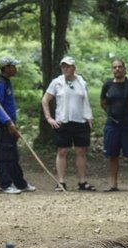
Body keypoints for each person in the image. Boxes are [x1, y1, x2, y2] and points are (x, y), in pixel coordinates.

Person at [41, 56, 95, 192]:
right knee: (62, 151)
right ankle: (61, 182)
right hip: (63, 121)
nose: (65, 68)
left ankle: (82, 182)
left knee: (81, 151)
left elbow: (85, 100)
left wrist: (89, 116)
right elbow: (45, 100)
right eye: (63, 66)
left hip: (80, 121)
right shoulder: (56, 82)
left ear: (73, 68)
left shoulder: (81, 81)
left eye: (68, 66)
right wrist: (49, 118)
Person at [0, 55, 35, 194]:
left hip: (11, 124)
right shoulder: (0, 84)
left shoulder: (7, 82)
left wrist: (13, 124)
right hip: (5, 125)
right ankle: (5, 185)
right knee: (4, 156)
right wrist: (8, 122)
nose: (15, 69)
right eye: (13, 66)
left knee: (13, 156)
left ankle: (20, 183)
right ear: (6, 68)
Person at [100, 59, 128, 192]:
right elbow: (103, 103)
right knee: (112, 154)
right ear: (112, 70)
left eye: (120, 67)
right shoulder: (107, 85)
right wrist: (111, 114)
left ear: (124, 69)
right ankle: (113, 183)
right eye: (114, 67)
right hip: (112, 125)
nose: (117, 69)